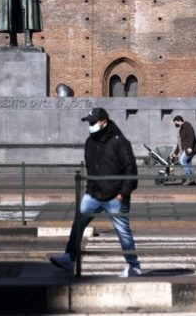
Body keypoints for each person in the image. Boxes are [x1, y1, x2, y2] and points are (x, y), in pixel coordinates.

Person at [50, 107, 142, 277]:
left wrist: (124, 193)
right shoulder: (90, 141)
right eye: (89, 122)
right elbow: (91, 168)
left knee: (123, 231)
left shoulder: (119, 141)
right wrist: (89, 189)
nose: (90, 125)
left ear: (104, 122)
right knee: (79, 222)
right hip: (94, 194)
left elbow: (131, 168)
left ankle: (134, 266)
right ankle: (69, 258)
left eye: (93, 122)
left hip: (115, 196)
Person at [170, 115, 196, 185]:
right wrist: (175, 153)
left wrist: (190, 147)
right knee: (188, 163)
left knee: (182, 161)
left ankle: (188, 178)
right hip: (187, 148)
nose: (175, 124)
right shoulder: (182, 129)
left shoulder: (187, 126)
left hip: (189, 148)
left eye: (176, 122)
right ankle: (192, 179)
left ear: (180, 121)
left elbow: (192, 136)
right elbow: (179, 143)